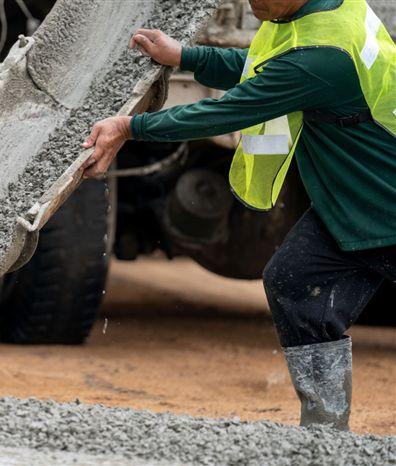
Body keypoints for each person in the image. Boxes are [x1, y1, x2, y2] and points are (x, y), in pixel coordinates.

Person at [83, 0, 396, 431]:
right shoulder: (325, 15)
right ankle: (326, 435)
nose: (252, 2)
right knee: (294, 280)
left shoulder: (323, 58)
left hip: (385, 205)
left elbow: (229, 109)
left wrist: (130, 127)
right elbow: (266, 63)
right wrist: (185, 57)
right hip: (355, 204)